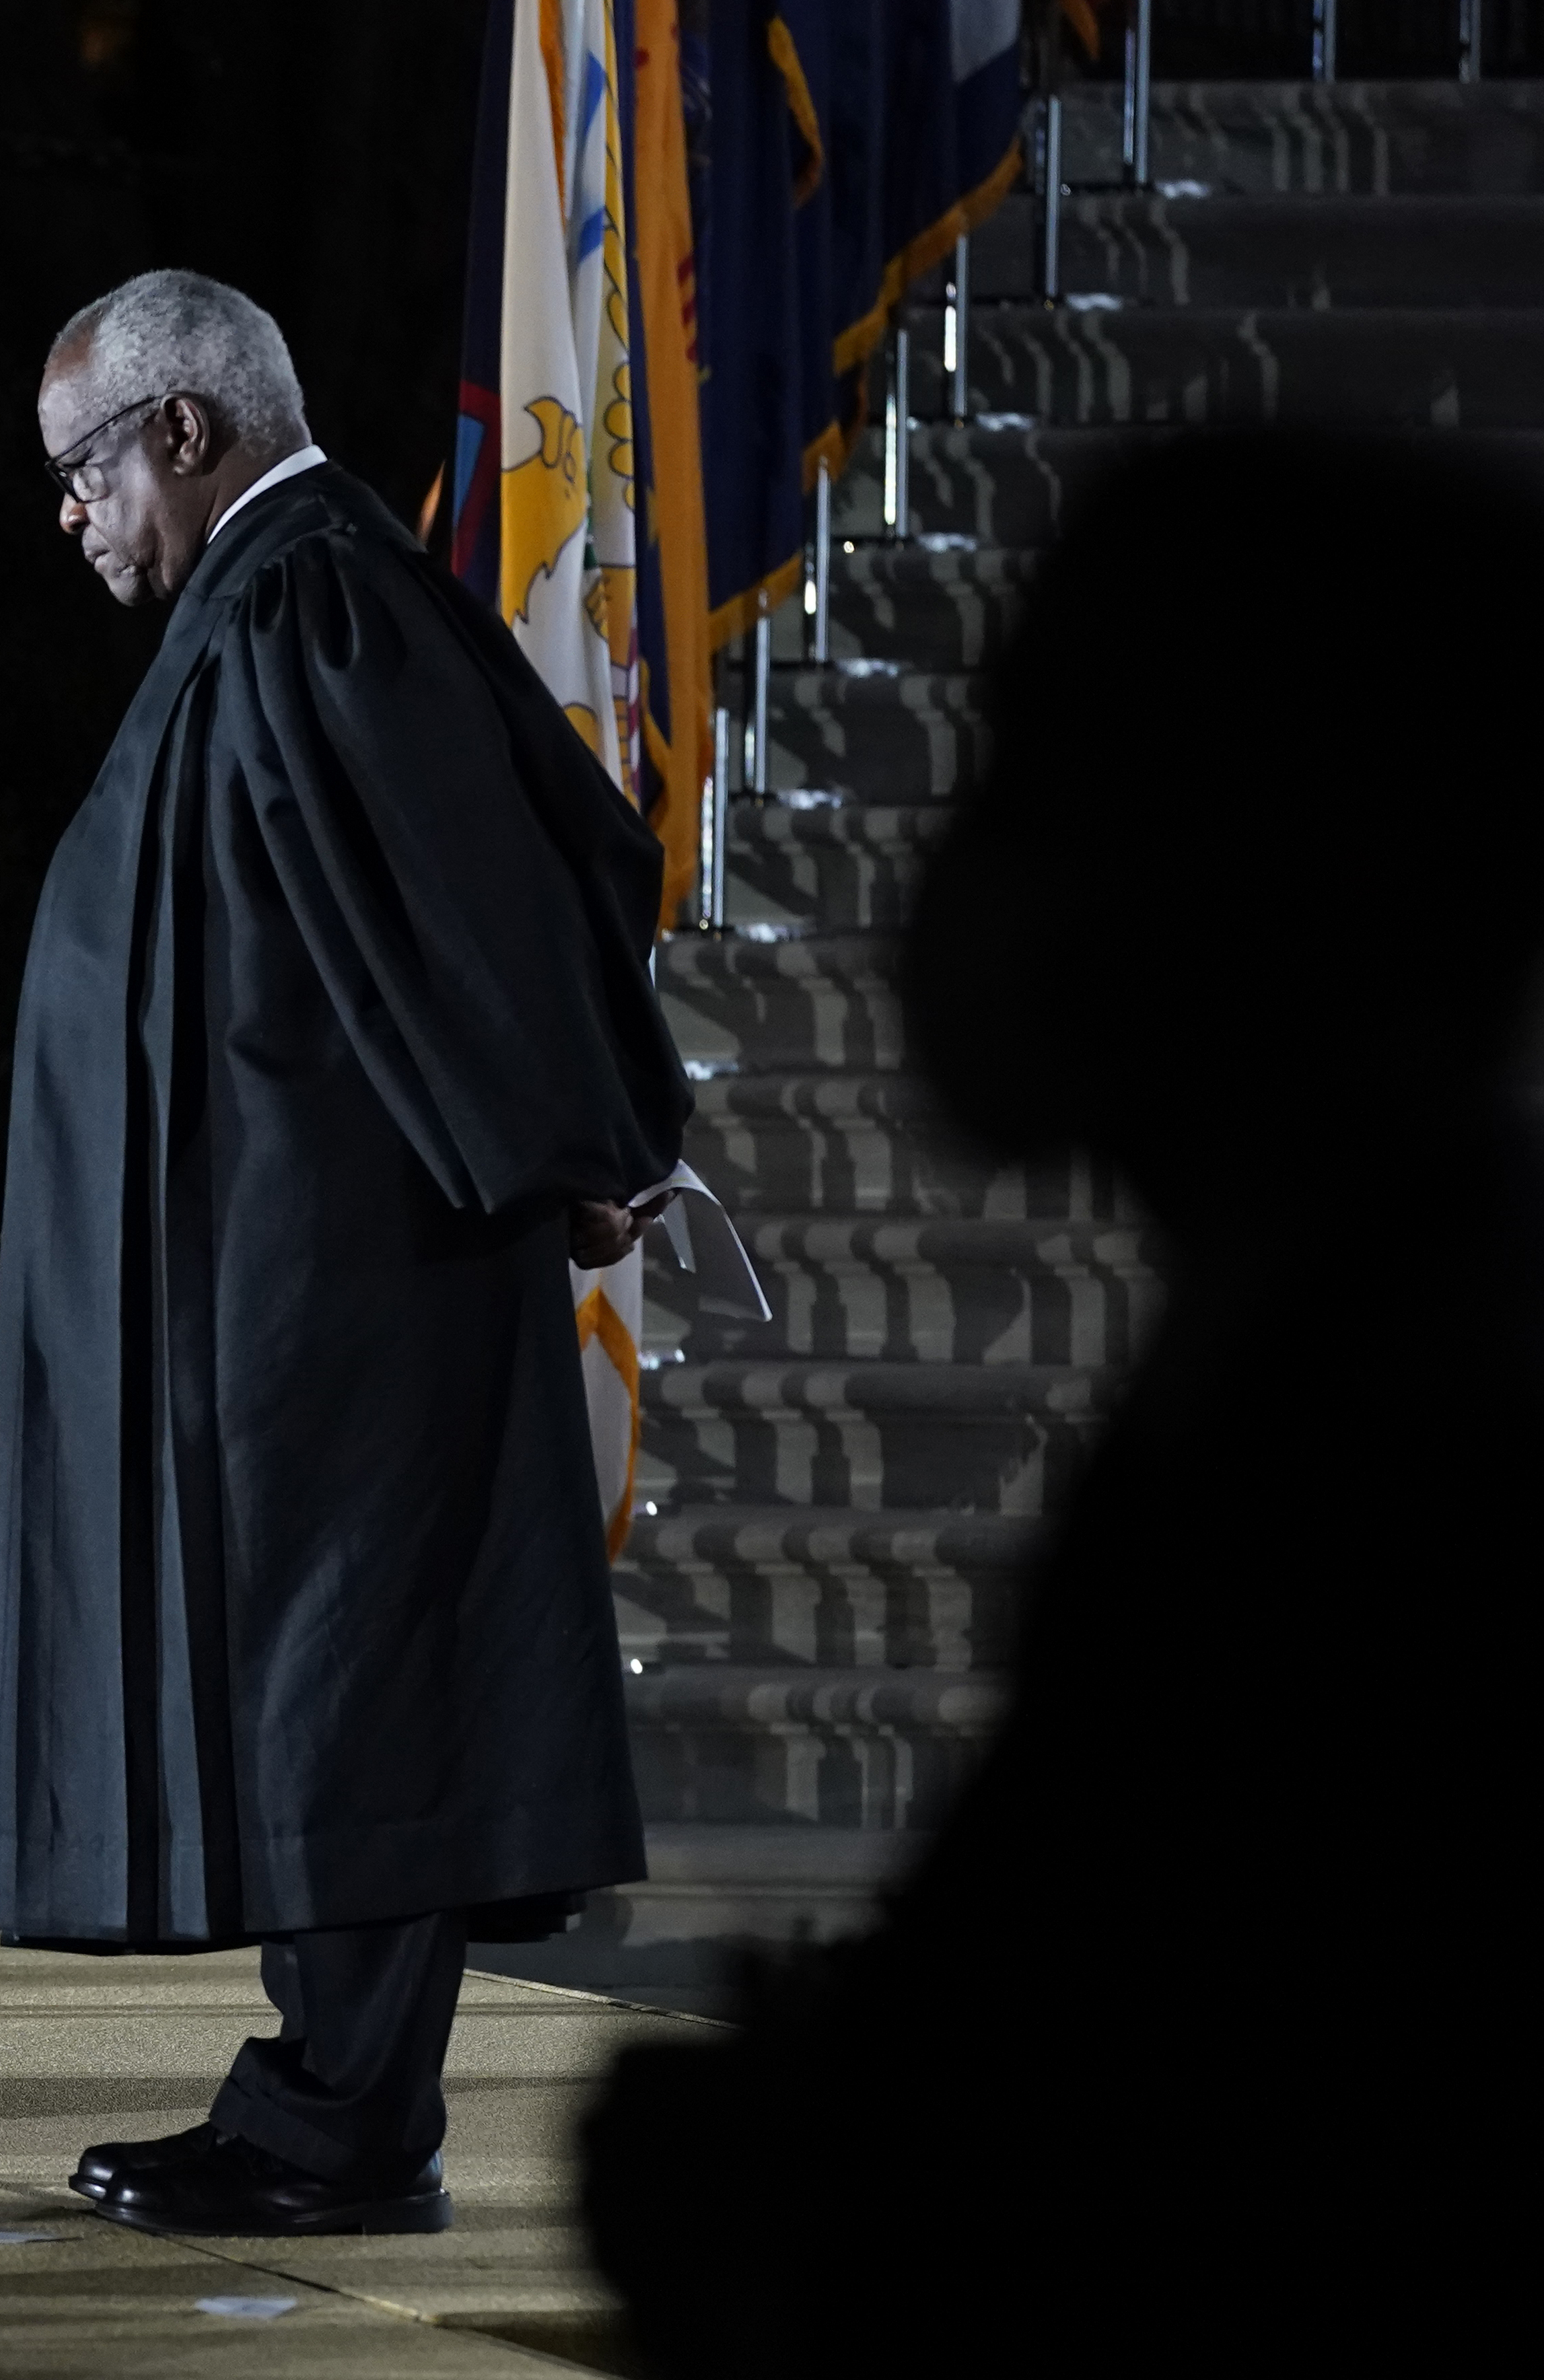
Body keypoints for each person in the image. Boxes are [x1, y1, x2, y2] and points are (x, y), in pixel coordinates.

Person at [577, 429, 1544, 2375]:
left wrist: (804, 2183)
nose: (960, 855)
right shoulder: (1313, 1350)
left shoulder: (1394, 1460)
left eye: (1043, 764)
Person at [0, 270, 691, 2237]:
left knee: (353, 1682)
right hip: (291, 1274)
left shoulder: (314, 595)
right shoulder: (283, 591)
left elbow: (473, 896)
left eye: (82, 472)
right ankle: (326, 2098)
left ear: (182, 434)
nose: (73, 516)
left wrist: (581, 1147)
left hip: (345, 1282)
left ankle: (343, 2123)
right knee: (321, 1682)